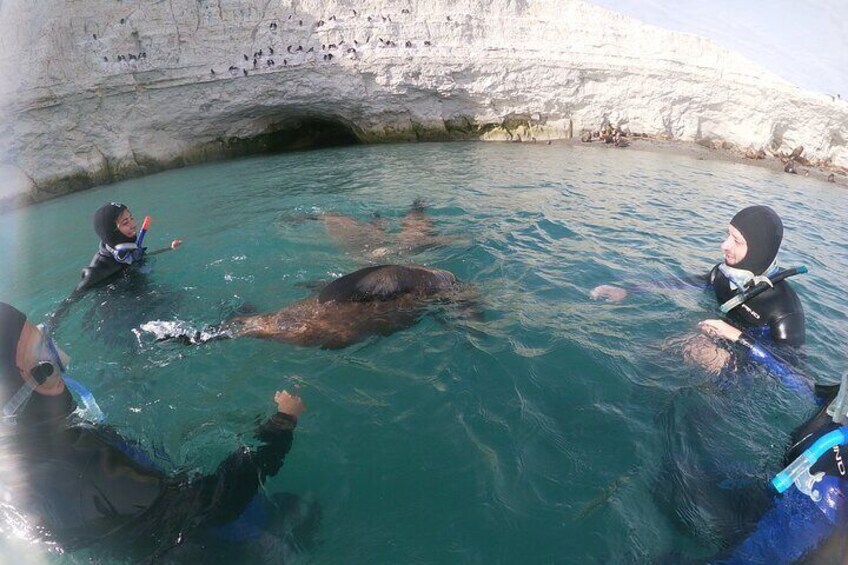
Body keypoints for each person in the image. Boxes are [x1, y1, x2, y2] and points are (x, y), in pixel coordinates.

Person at [0, 301, 305, 560]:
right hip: (203, 546)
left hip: (140, 531)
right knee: (299, 520)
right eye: (44, 361)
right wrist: (280, 426)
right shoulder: (84, 471)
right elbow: (213, 505)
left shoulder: (17, 451)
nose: (58, 363)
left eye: (48, 343)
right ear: (17, 390)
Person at [591, 205, 810, 397]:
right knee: (647, 358)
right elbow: (686, 282)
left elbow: (793, 378)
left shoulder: (785, 310)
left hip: (746, 372)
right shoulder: (725, 274)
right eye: (727, 235)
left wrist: (737, 338)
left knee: (694, 408)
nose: (724, 245)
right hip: (711, 342)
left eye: (736, 241)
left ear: (758, 249)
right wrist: (628, 290)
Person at [143, 263, 480, 349]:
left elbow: (361, 284)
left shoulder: (420, 278)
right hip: (334, 319)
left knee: (258, 325)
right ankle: (195, 336)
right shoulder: (436, 285)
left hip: (329, 303)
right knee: (262, 327)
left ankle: (202, 333)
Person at [46, 202, 183, 331]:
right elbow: (71, 300)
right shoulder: (98, 269)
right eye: (125, 222)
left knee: (176, 301)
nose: (133, 224)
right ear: (110, 232)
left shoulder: (128, 250)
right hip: (117, 310)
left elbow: (140, 258)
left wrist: (169, 248)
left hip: (139, 294)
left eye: (131, 218)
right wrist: (51, 326)